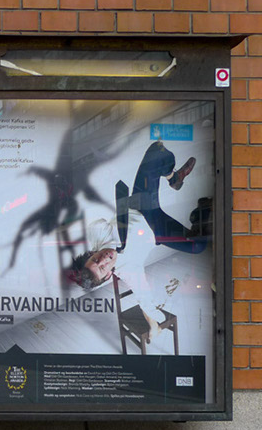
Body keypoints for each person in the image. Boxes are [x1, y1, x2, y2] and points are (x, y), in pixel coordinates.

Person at [70, 141, 209, 343]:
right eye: (102, 268)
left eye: (95, 259)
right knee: (199, 247)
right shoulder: (128, 270)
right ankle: (202, 211)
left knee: (157, 150)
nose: (103, 259)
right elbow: (145, 298)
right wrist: (155, 323)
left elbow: (88, 219)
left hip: (140, 204)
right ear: (108, 275)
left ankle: (174, 178)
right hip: (158, 229)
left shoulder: (98, 235)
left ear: (91, 254)